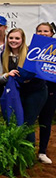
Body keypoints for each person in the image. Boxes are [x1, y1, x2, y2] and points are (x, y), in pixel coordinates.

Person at [0, 28, 48, 142]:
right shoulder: (3, 55)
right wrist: (7, 75)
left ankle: (27, 154)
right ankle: (17, 153)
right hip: (16, 93)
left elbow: (42, 72)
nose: (13, 41)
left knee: (28, 123)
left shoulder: (32, 53)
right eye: (11, 38)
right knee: (16, 122)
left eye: (17, 38)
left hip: (36, 91)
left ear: (23, 40)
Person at [36, 22, 56, 164]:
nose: (43, 33)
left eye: (46, 31)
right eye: (40, 31)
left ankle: (42, 151)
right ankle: (25, 149)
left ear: (52, 34)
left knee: (45, 121)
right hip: (33, 89)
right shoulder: (32, 49)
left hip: (51, 90)